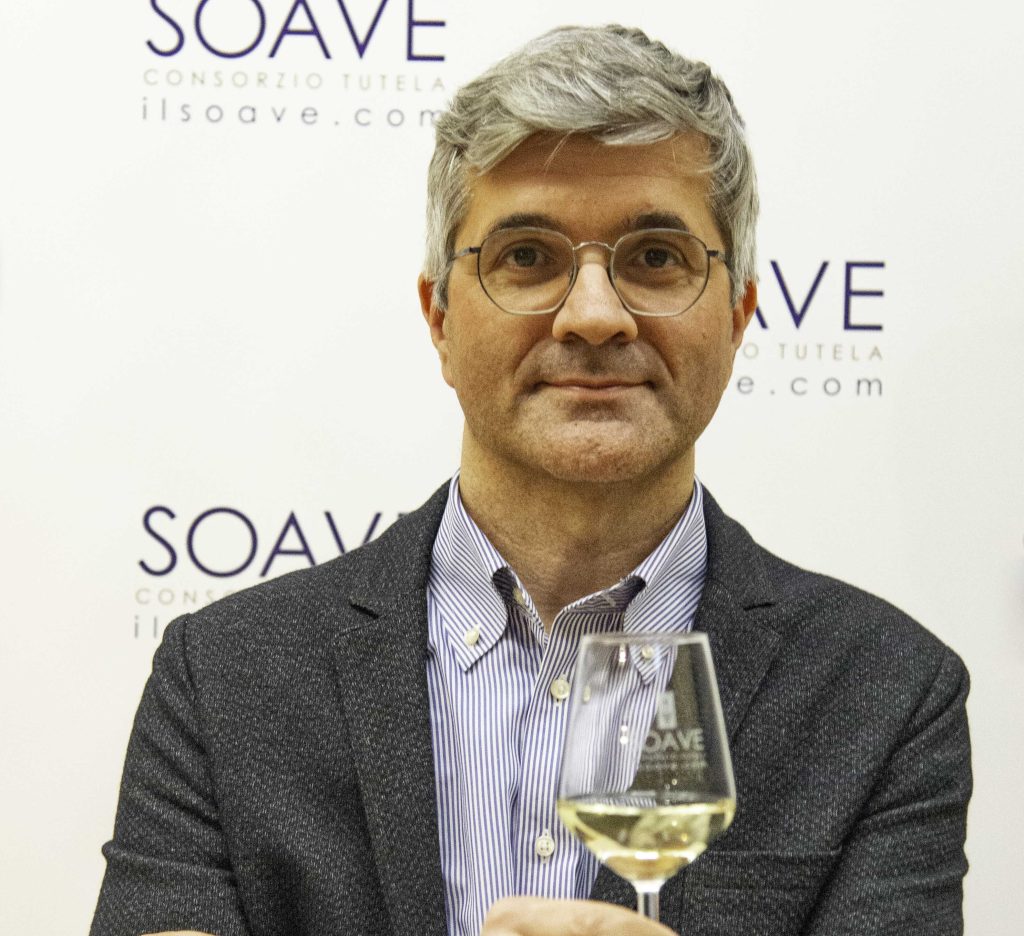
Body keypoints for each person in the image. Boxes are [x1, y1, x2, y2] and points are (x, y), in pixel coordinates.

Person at [90, 24, 971, 936]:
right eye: (527, 258)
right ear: (439, 318)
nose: (593, 315)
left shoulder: (885, 694)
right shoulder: (225, 678)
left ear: (741, 314)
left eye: (655, 259)